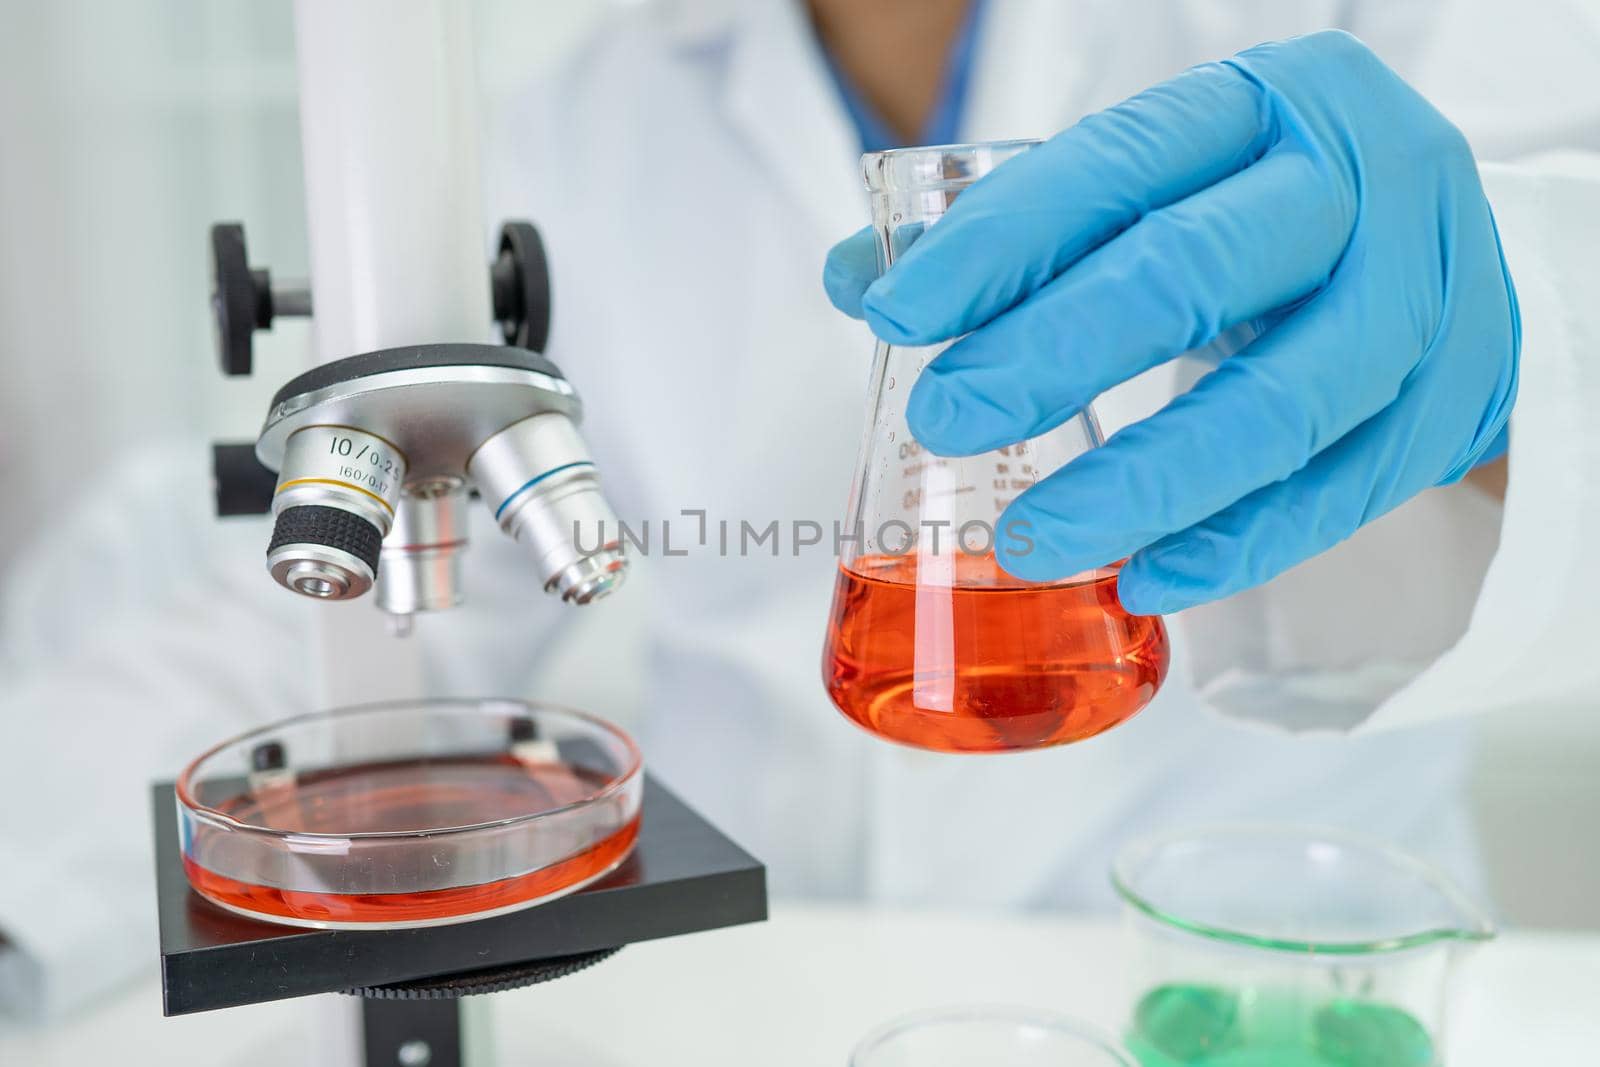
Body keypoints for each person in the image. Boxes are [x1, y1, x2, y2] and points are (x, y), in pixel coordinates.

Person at [3, 0, 1598, 1021]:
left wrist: (1517, 328)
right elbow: (382, 608)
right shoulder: (587, 117)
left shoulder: (1379, 24)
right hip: (769, 992)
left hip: (1241, 975)